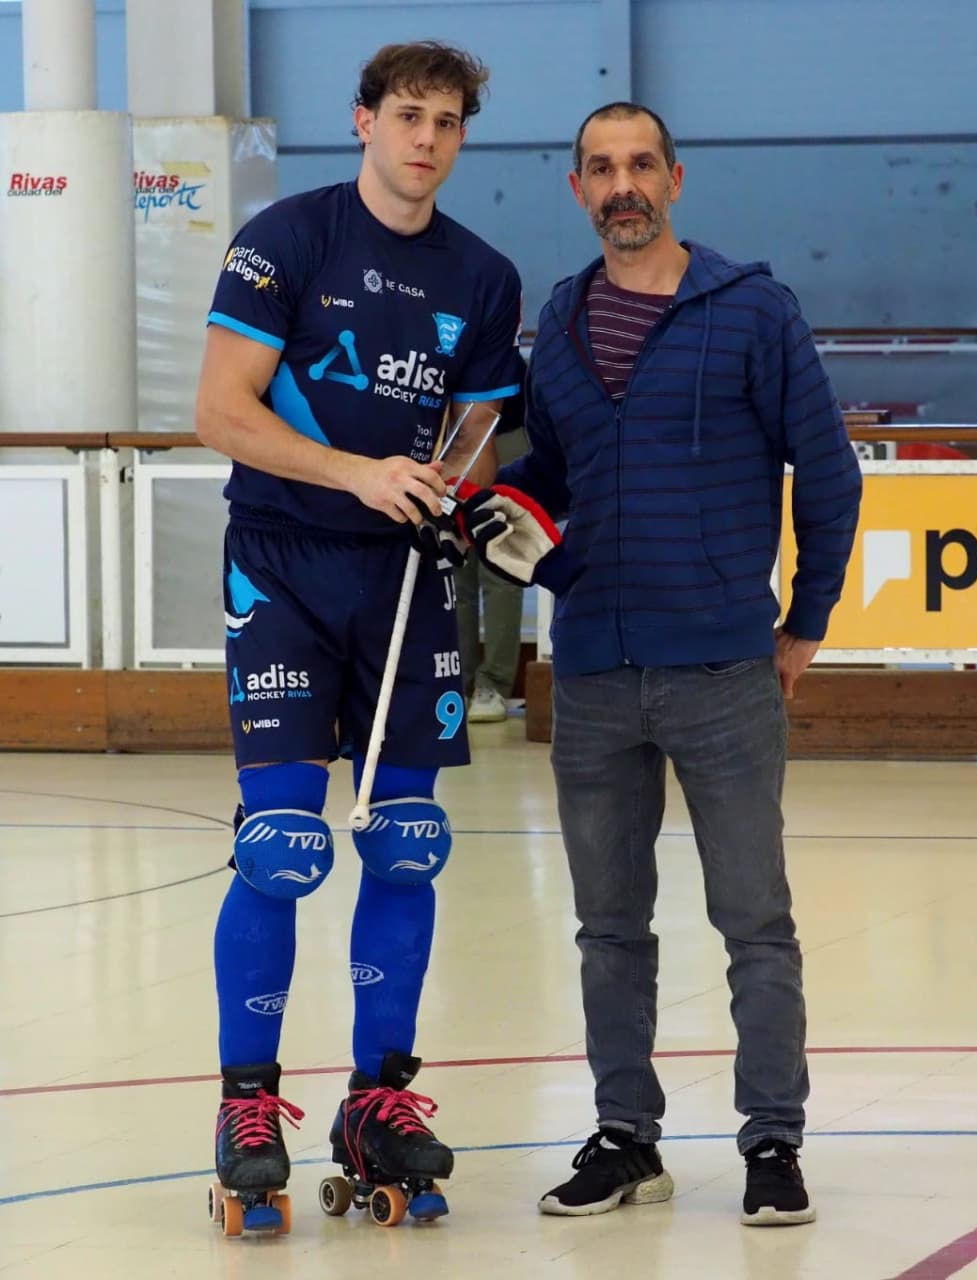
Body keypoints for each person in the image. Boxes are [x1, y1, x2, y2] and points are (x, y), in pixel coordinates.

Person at [496, 102, 862, 1224]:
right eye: (600, 169)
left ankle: (771, 1138)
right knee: (608, 925)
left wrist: (800, 625)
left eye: (640, 164)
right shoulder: (557, 322)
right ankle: (626, 1134)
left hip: (721, 670)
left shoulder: (751, 309)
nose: (622, 185)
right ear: (577, 190)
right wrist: (508, 528)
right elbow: (548, 478)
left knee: (754, 920)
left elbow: (828, 472)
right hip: (596, 671)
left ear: (674, 178)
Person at [193, 40, 523, 1224]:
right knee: (281, 840)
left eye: (446, 120)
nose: (424, 137)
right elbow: (219, 410)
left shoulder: (483, 276)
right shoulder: (288, 238)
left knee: (407, 841)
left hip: (407, 578)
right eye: (405, 115)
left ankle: (377, 1098)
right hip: (283, 564)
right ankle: (245, 1103)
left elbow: (478, 429)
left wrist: (464, 486)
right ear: (363, 121)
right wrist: (352, 472)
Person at [455, 357, 529, 722]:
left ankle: (494, 685)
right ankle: (458, 680)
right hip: (451, 440)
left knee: (500, 570)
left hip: (505, 435)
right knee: (454, 570)